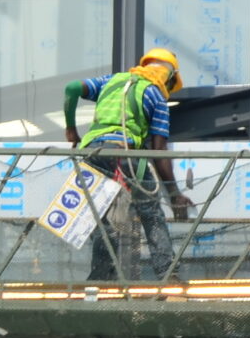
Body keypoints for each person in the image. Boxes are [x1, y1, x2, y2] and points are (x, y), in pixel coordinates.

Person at [63, 49, 195, 281]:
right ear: (170, 77)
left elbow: (72, 88)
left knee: (104, 216)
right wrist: (174, 194)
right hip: (125, 156)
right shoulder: (156, 96)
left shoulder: (111, 81)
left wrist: (71, 128)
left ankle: (101, 280)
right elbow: (159, 150)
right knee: (151, 214)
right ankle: (168, 276)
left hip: (93, 154)